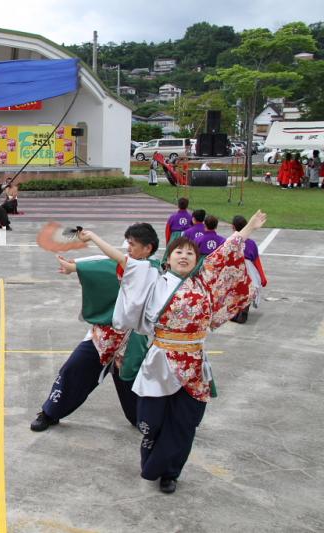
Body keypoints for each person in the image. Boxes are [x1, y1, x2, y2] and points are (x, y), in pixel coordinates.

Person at [80, 210, 265, 494]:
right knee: (151, 420)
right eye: (178, 251)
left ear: (196, 261)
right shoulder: (153, 278)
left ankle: (170, 472)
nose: (184, 256)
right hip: (160, 359)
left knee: (185, 422)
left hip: (193, 363)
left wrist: (248, 228)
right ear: (167, 258)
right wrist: (92, 238)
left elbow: (224, 254)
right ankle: (153, 461)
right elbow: (123, 261)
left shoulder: (204, 281)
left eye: (190, 254)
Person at [30, 223, 161, 432]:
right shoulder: (129, 265)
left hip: (131, 341)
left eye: (133, 245)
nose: (129, 248)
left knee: (134, 385)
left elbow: (116, 259)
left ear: (148, 248)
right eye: (128, 243)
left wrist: (92, 237)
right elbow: (104, 264)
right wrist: (75, 267)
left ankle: (146, 420)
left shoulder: (151, 269)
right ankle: (50, 412)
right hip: (103, 336)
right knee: (73, 369)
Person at [230, 215, 268, 324]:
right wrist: (262, 277)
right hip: (249, 271)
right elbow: (257, 262)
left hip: (235, 270)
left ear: (233, 227)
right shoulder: (251, 244)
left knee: (234, 291)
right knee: (248, 290)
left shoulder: (230, 242)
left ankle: (237, 312)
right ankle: (244, 308)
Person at [163, 197, 191, 263]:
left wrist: (168, 242)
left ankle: (165, 263)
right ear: (187, 205)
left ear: (178, 205)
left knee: (170, 250)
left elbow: (168, 230)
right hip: (186, 236)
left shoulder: (173, 217)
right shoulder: (190, 216)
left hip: (175, 235)